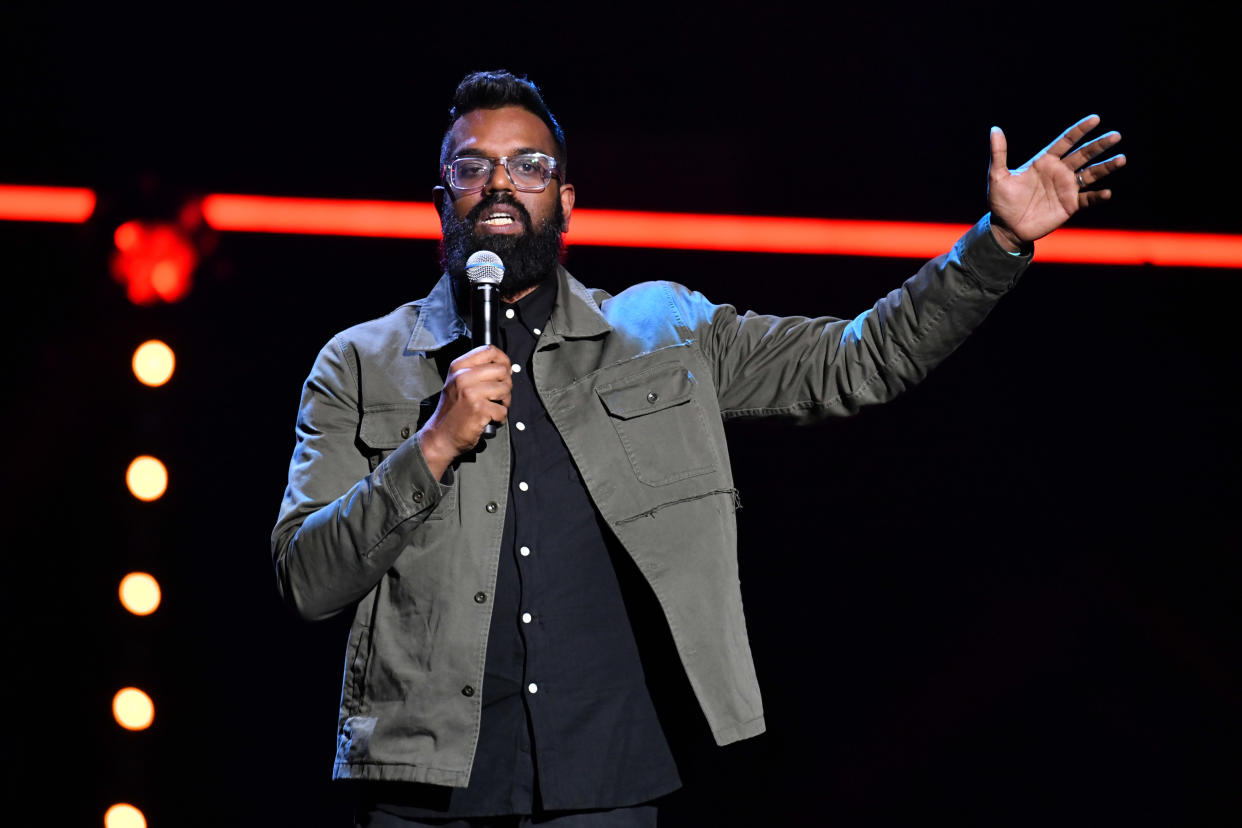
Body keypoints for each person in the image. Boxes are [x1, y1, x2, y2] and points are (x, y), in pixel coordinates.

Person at [271, 70, 1124, 827]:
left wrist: (997, 245)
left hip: (605, 778)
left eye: (529, 165)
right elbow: (306, 579)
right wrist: (431, 444)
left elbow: (857, 361)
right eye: (472, 167)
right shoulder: (359, 362)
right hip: (424, 791)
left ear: (566, 201)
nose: (500, 183)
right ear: (440, 198)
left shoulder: (663, 331)